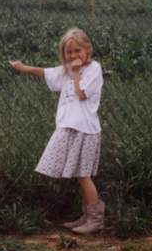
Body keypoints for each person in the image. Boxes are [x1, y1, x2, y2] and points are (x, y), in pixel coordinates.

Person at [9, 27, 105, 234]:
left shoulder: (94, 69)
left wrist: (76, 72)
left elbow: (81, 94)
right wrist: (23, 67)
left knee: (83, 175)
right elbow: (45, 72)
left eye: (77, 50)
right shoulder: (67, 70)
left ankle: (96, 219)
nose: (73, 55)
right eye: (69, 52)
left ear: (88, 50)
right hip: (69, 127)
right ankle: (86, 216)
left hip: (85, 130)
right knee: (80, 175)